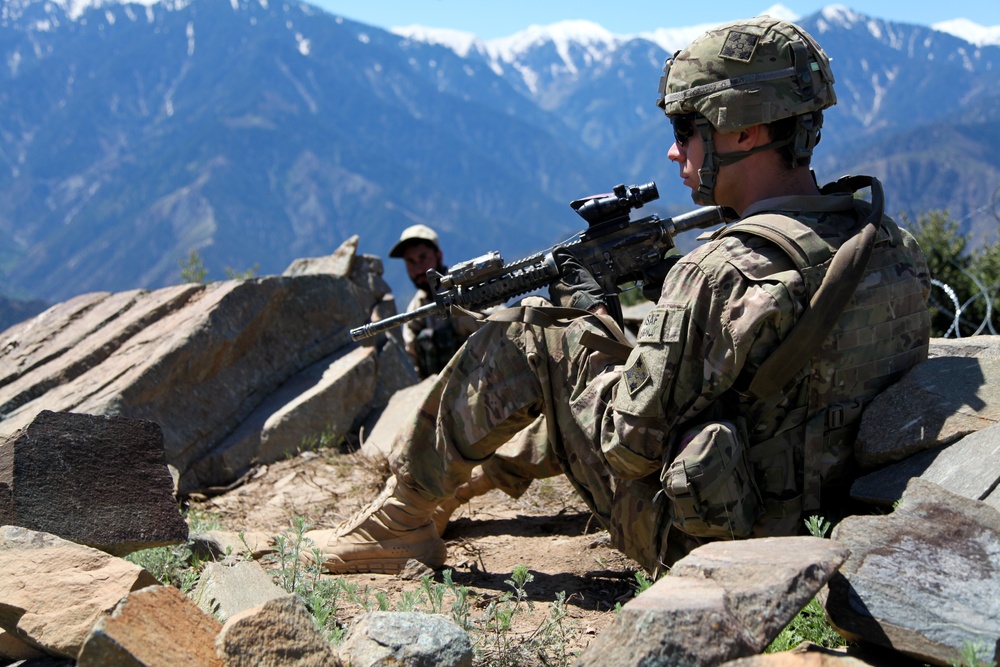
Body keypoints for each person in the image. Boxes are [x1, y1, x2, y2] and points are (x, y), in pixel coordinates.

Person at [308, 16, 931, 575]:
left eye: (687, 127)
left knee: (537, 336)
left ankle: (404, 518)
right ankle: (459, 486)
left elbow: (626, 444)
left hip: (714, 551)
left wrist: (591, 313)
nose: (673, 148)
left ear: (746, 131)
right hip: (833, 530)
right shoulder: (885, 241)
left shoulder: (717, 274)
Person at [387, 224, 563, 535]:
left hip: (486, 391)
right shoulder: (416, 311)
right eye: (410, 262)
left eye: (422, 257)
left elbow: (502, 334)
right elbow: (416, 362)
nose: (417, 267)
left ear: (438, 255)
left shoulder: (467, 294)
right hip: (443, 397)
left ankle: (445, 497)